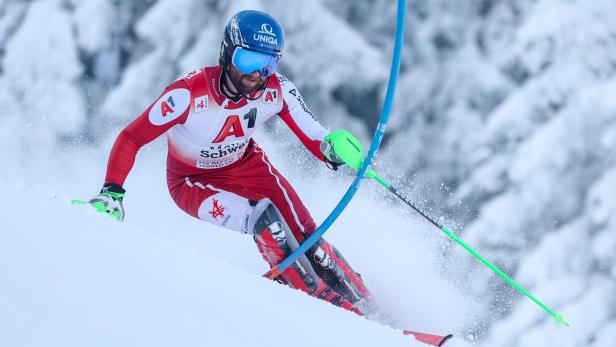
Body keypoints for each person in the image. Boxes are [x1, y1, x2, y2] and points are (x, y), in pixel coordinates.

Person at [88, 10, 371, 314]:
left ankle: (365, 303)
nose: (257, 74)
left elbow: (317, 137)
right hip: (191, 181)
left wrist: (334, 148)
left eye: (268, 63)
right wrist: (112, 192)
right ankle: (325, 307)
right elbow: (132, 137)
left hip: (245, 164)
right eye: (248, 60)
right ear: (227, 53)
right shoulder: (187, 94)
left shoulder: (277, 89)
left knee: (305, 232)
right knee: (265, 219)